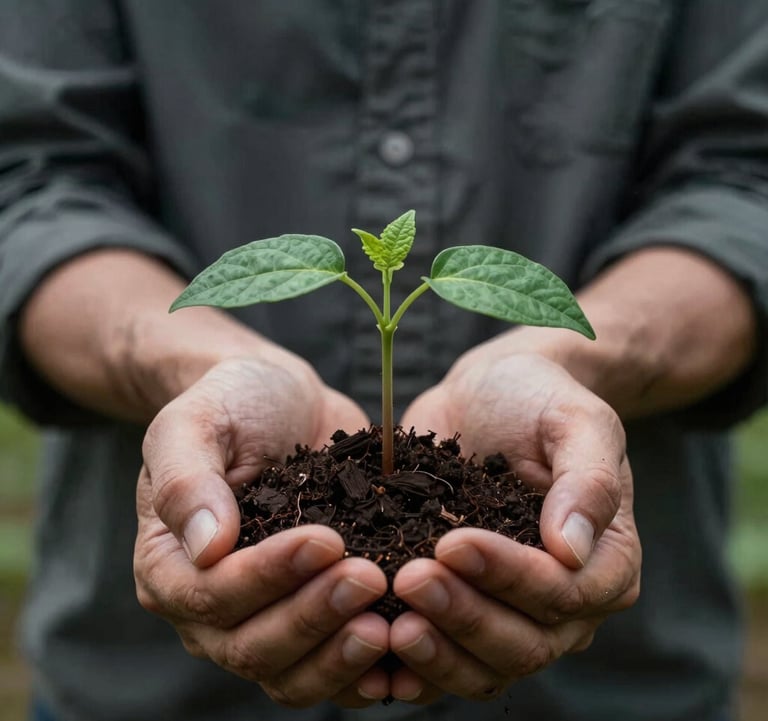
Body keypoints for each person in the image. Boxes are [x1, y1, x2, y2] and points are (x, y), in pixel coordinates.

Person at [1, 2, 766, 720]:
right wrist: (193, 361)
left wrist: (574, 357)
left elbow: (744, 179)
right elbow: (34, 178)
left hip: (612, 693)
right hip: (147, 691)